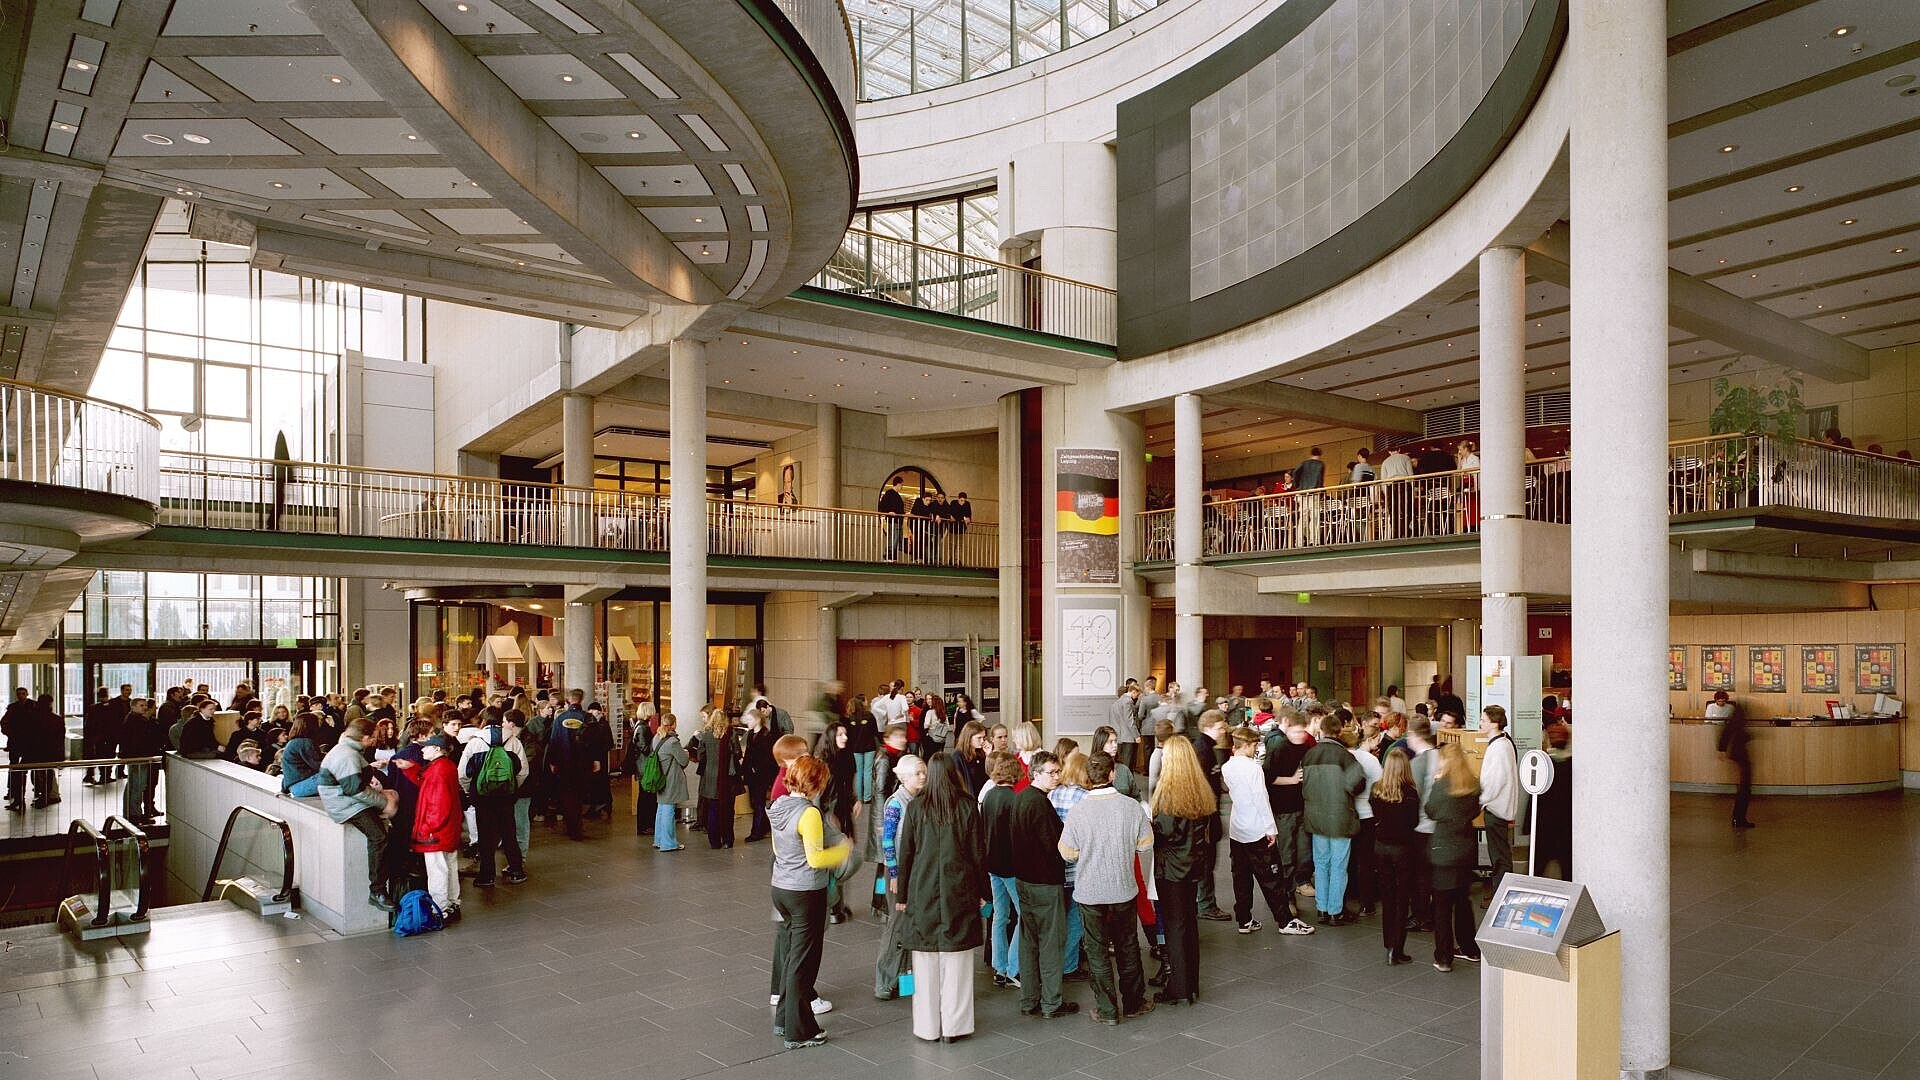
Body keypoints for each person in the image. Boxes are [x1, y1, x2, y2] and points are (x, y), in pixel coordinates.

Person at [895, 753, 989, 1044]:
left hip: (922, 893)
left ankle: (927, 1026)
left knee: (924, 963)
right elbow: (977, 854)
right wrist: (982, 892)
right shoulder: (967, 807)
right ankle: (954, 1026)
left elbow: (906, 854)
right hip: (959, 891)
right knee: (957, 963)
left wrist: (903, 894)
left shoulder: (915, 808)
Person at [1059, 752, 1155, 1025]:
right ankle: (1134, 1002)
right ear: (1112, 774)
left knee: (1097, 949)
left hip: (1089, 891)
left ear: (1089, 778)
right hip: (1123, 888)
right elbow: (1145, 844)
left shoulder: (1079, 811)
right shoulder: (1130, 807)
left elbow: (1067, 851)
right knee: (1127, 944)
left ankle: (1107, 1009)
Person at [768, 755, 852, 1050]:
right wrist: (843, 850)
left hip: (781, 887)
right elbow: (816, 858)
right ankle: (800, 1030)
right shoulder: (809, 814)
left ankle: (783, 1020)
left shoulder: (777, 805)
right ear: (815, 783)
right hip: (805, 892)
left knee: (792, 955)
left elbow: (779, 847)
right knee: (803, 964)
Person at [1222, 727, 1309, 936]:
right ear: (1249, 745)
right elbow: (1261, 800)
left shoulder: (1227, 767)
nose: (1256, 749)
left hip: (1237, 828)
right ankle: (1284, 921)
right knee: (1272, 877)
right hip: (1256, 829)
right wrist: (1271, 829)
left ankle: (1244, 919)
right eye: (1255, 745)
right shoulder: (1253, 769)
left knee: (1241, 877)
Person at [1149, 736, 1216, 1005]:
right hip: (1193, 866)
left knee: (1175, 928)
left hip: (1171, 869)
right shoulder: (1199, 788)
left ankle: (1178, 987)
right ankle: (1191, 984)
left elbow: (1164, 834)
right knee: (1189, 925)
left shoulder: (1168, 795)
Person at [1010, 751, 1075, 1019]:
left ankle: (1029, 999)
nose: (1057, 777)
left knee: (1029, 943)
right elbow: (1055, 845)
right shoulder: (1040, 804)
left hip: (1024, 881)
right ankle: (1051, 1002)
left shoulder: (1021, 798)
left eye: (1058, 771)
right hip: (1045, 884)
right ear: (1036, 773)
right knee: (1050, 944)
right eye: (1052, 772)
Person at [316, 719, 399, 912]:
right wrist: (383, 802)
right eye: (374, 737)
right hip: (345, 804)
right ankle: (377, 890)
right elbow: (356, 790)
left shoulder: (347, 749)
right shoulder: (347, 755)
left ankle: (395, 867)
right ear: (365, 737)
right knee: (379, 836)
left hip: (345, 798)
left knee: (393, 803)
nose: (376, 740)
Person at [1302, 712, 1366, 925]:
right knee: (1339, 865)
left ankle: (1321, 909)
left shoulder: (1309, 754)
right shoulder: (1346, 756)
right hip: (1340, 818)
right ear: (1339, 732)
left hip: (1315, 817)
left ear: (1321, 731)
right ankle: (1335, 911)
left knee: (1321, 864)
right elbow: (1357, 785)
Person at [1426, 741, 1483, 972]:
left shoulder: (1442, 787)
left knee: (1442, 907)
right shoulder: (1472, 785)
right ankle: (1469, 948)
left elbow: (1431, 811)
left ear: (1446, 760)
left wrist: (1435, 784)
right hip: (1466, 849)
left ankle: (1444, 957)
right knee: (1463, 901)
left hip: (1444, 852)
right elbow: (1474, 811)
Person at [875, 753, 926, 1000]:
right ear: (904, 777)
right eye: (917, 773)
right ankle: (885, 980)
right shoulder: (896, 803)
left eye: (923, 772)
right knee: (896, 925)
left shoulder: (918, 800)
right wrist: (894, 873)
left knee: (908, 923)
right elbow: (887, 842)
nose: (923, 776)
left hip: (913, 870)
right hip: (899, 872)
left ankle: (904, 980)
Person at [461, 709, 528, 887]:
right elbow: (523, 771)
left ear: (483, 721)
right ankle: (516, 870)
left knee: (485, 836)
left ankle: (487, 875)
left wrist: (471, 790)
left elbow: (463, 773)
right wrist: (512, 787)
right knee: (509, 833)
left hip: (483, 798)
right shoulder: (513, 741)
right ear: (502, 720)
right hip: (506, 796)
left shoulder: (474, 742)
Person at [1370, 748, 1420, 965]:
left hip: (1381, 848)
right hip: (1403, 850)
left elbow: (1375, 815)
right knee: (1402, 899)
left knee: (1387, 897)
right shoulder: (1410, 792)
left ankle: (1388, 942)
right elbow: (1413, 822)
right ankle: (1397, 947)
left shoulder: (1376, 790)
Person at [980, 750, 1025, 989]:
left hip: (992, 865)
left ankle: (999, 967)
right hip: (1011, 867)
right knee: (1024, 915)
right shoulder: (1014, 799)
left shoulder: (989, 796)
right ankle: (1012, 967)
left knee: (1000, 916)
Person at [1048, 751, 1091, 981]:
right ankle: (1068, 965)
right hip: (1076, 868)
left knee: (1059, 919)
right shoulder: (1085, 797)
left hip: (1056, 866)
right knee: (1076, 919)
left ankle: (1055, 962)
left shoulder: (1054, 793)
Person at [412, 735, 464, 922]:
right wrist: (411, 770)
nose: (422, 750)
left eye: (426, 747)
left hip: (436, 830)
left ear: (437, 749)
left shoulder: (438, 770)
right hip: (449, 827)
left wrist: (429, 828)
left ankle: (439, 909)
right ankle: (452, 904)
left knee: (437, 870)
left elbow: (439, 803)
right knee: (450, 865)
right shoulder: (446, 766)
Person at [546, 689, 598, 839]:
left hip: (564, 763)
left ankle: (570, 826)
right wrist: (595, 760)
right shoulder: (588, 718)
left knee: (567, 795)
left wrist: (552, 762)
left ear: (567, 701)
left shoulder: (560, 718)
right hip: (583, 764)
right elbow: (594, 742)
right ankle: (577, 826)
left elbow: (554, 741)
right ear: (581, 701)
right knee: (580, 795)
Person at [1478, 705, 1520, 891]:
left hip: (1496, 809)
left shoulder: (1499, 747)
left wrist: (1480, 802)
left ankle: (1501, 894)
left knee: (1499, 857)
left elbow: (1494, 782)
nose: (1480, 723)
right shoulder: (1503, 743)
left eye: (1484, 720)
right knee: (1500, 854)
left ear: (1494, 723)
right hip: (1498, 807)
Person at [692, 708, 741, 849]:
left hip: (710, 778)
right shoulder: (730, 734)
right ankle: (727, 840)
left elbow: (701, 755)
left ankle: (714, 841)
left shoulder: (706, 735)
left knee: (713, 810)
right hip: (727, 779)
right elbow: (737, 753)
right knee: (728, 810)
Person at [1710, 691, 1755, 828]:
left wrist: (1722, 749)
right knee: (1745, 787)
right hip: (1740, 753)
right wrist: (1721, 749)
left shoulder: (1737, 711)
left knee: (1744, 787)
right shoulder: (1740, 712)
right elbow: (1729, 730)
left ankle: (1739, 818)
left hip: (1738, 753)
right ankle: (1739, 819)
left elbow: (1729, 731)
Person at [118, 697, 165, 822]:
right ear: (133, 707)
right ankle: (135, 815)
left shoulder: (132, 719)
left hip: (136, 757)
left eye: (145, 705)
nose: (144, 707)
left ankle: (131, 813)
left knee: (133, 785)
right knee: (138, 786)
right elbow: (140, 741)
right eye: (141, 705)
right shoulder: (137, 721)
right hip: (139, 757)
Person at [650, 713, 690, 851]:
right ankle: (668, 843)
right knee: (668, 810)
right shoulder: (672, 742)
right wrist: (686, 754)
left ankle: (659, 840)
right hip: (670, 779)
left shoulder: (656, 738)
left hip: (659, 777)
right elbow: (683, 761)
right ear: (673, 725)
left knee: (661, 809)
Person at [741, 705, 780, 843]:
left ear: (757, 720)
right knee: (755, 802)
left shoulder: (766, 736)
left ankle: (756, 832)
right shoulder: (751, 734)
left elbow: (768, 759)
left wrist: (756, 769)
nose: (748, 722)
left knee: (758, 803)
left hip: (761, 775)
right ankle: (762, 828)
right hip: (752, 775)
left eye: (750, 719)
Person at [279, 714, 326, 796]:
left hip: (295, 788)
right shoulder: (305, 742)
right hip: (302, 787)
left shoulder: (293, 742)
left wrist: (283, 791)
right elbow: (318, 765)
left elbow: (288, 771)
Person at [1107, 683, 1142, 770]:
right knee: (1128, 764)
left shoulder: (1115, 703)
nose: (1137, 697)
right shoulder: (1127, 702)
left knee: (1120, 763)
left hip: (1119, 737)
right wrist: (1137, 735)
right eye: (1137, 694)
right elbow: (1130, 720)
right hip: (1128, 737)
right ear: (1133, 692)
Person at [878, 477, 907, 561]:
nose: (902, 487)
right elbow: (882, 505)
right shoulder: (889, 493)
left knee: (896, 538)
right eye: (901, 485)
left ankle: (892, 556)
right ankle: (888, 555)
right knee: (893, 538)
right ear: (898, 484)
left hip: (898, 520)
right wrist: (888, 512)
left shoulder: (896, 495)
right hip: (893, 520)